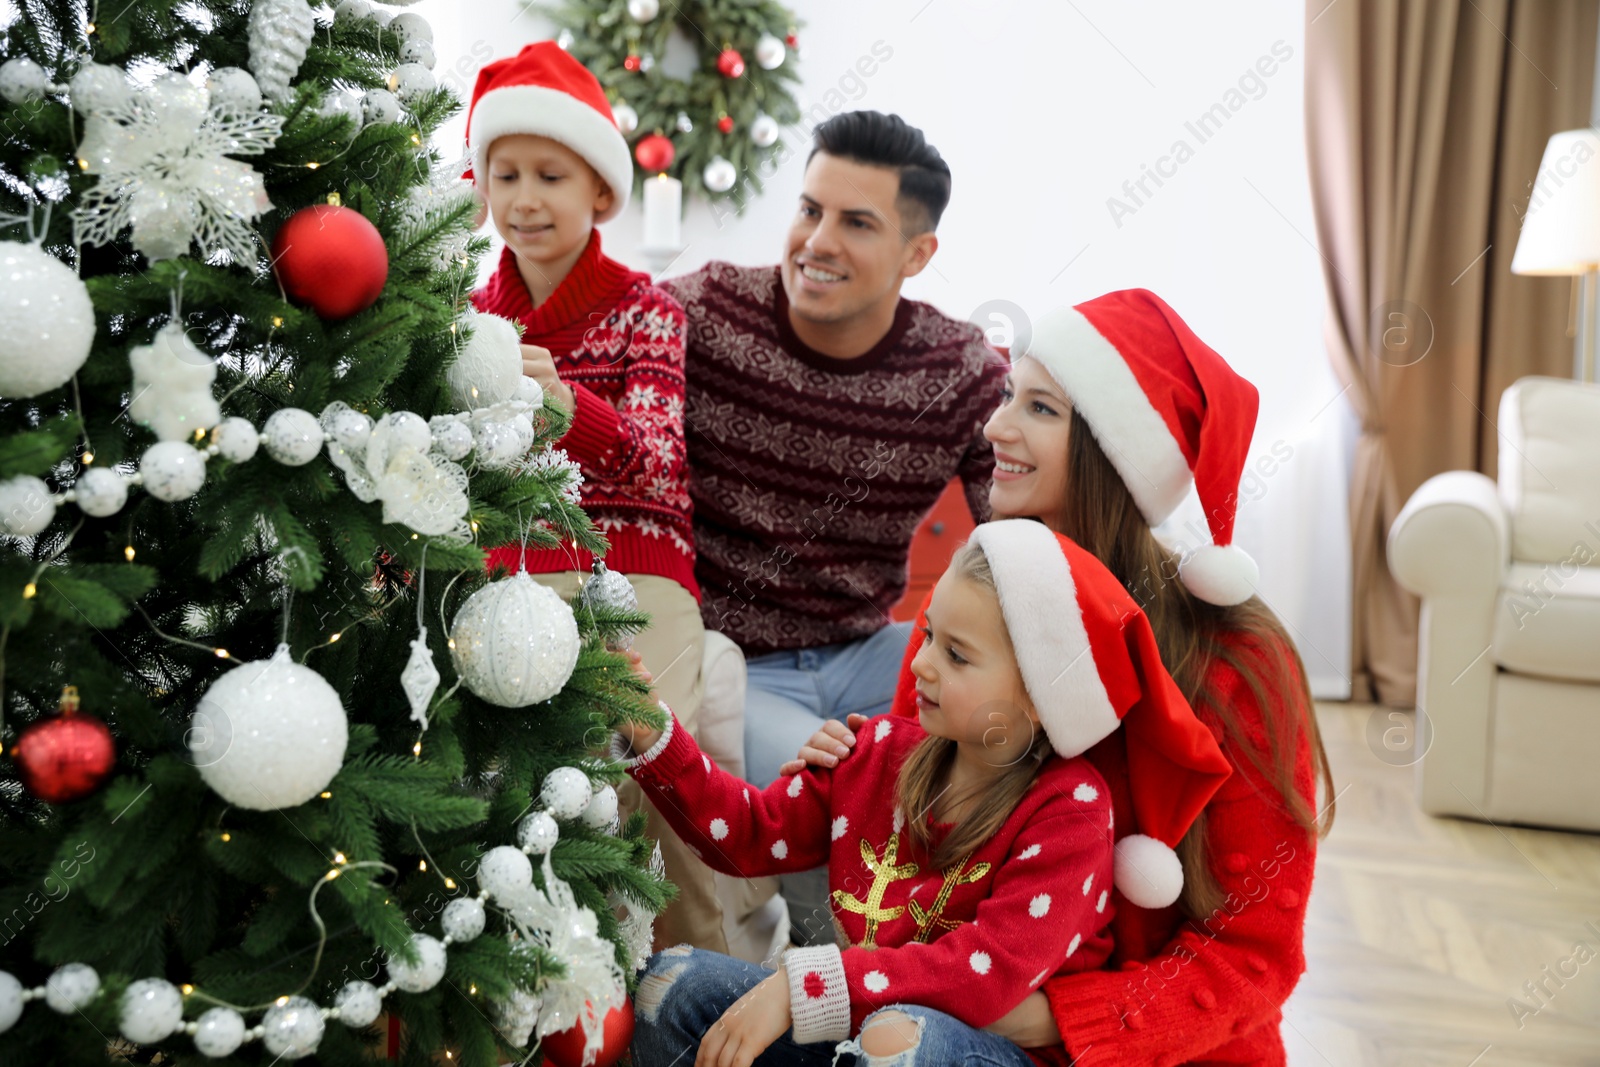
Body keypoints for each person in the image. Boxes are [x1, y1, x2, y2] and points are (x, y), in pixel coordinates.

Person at [785, 290, 1336, 1065]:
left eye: (1040, 408)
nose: (995, 426)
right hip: (956, 1019)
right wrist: (852, 776)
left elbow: (1254, 954)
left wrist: (1049, 1016)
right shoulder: (971, 611)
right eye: (1010, 394)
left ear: (1115, 453)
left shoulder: (1238, 661)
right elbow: (913, 849)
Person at [621, 519, 1230, 1067]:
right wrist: (654, 732)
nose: (921, 665)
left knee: (896, 1041)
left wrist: (803, 985)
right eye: (930, 634)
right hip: (858, 1026)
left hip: (977, 1049)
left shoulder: (1072, 814)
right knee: (669, 985)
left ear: (1039, 697)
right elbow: (747, 837)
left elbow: (981, 975)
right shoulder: (876, 751)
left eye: (957, 656)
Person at [659, 110, 1006, 944]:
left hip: (873, 649)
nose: (817, 240)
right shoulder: (704, 314)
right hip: (744, 661)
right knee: (842, 795)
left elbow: (1023, 523)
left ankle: (979, 961)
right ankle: (837, 989)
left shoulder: (958, 370)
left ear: (917, 254)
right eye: (809, 209)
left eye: (856, 222)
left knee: (1005, 739)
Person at [464, 41, 725, 953]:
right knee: (503, 777)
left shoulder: (648, 310)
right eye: (506, 174)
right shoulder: (470, 319)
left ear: (601, 195)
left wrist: (564, 405)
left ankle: (709, 980)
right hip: (512, 574)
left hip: (635, 570)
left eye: (550, 175)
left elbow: (654, 459)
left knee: (647, 766)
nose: (525, 198)